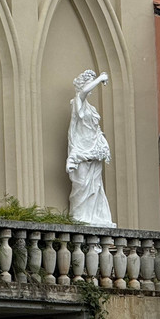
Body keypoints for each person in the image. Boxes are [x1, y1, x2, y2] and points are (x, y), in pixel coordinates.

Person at [66, 69, 115, 227]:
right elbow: (84, 91)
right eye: (88, 83)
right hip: (81, 150)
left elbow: (95, 128)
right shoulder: (77, 101)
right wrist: (100, 78)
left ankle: (94, 217)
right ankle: (80, 217)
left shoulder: (91, 108)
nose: (90, 87)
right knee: (82, 184)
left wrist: (102, 143)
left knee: (95, 185)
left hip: (94, 149)